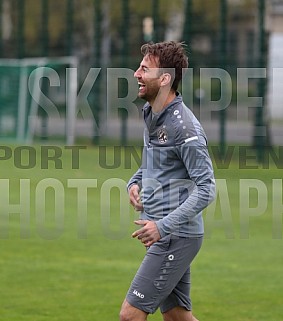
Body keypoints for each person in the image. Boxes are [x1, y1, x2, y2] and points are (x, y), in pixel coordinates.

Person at [119, 41, 216, 321]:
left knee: (130, 315)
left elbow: (207, 188)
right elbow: (154, 161)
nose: (136, 74)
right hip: (170, 235)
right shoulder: (153, 113)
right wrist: (134, 182)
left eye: (144, 69)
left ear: (164, 79)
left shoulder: (184, 127)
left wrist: (161, 227)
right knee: (177, 316)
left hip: (175, 237)